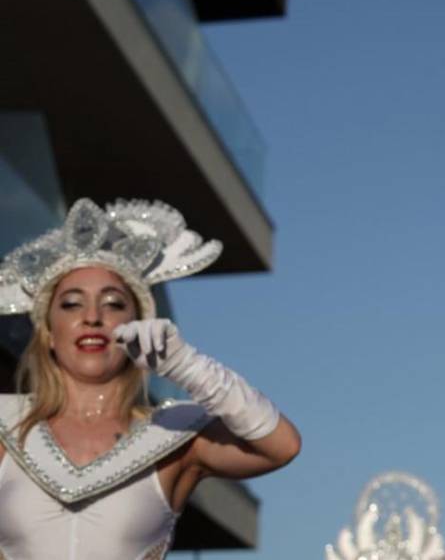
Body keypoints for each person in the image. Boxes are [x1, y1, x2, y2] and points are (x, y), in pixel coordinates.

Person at [0, 198, 300, 559]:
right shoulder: (7, 425)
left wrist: (186, 365)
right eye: (71, 304)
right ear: (48, 331)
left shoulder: (173, 435)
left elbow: (282, 446)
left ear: (139, 322)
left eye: (113, 303)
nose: (92, 317)